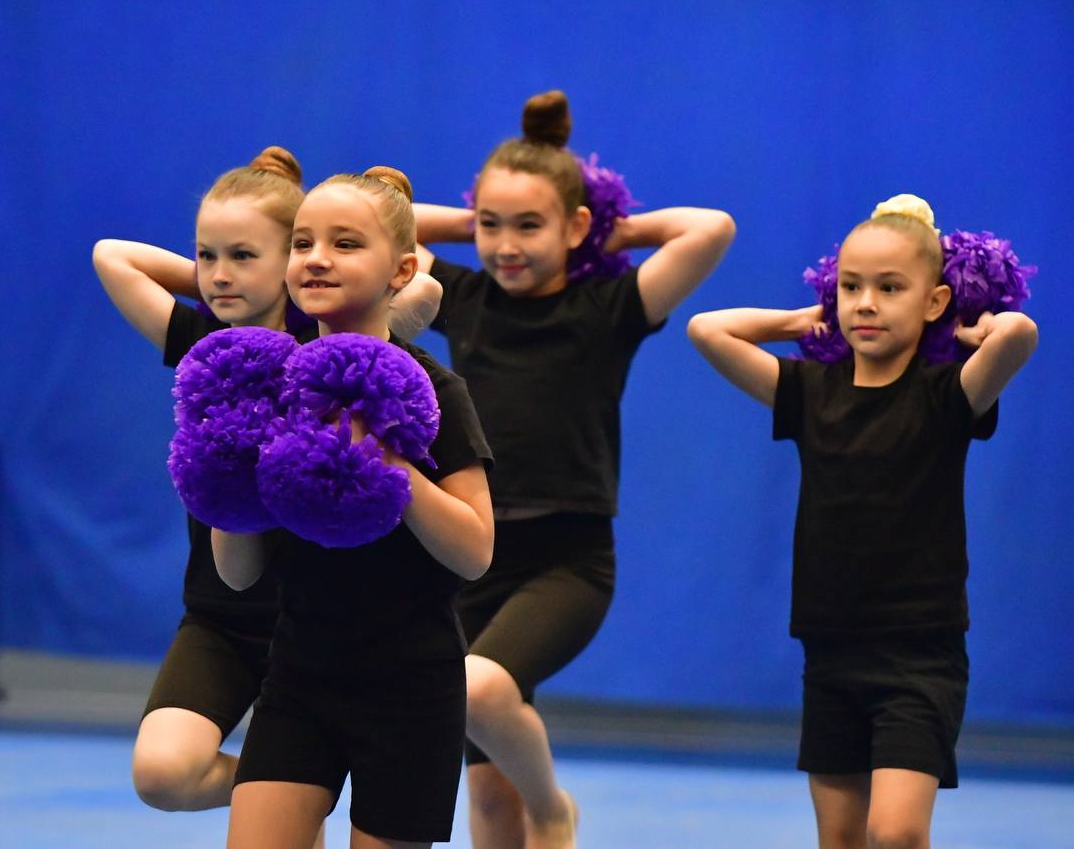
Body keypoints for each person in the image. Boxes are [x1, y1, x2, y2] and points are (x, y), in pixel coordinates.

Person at [413, 90, 735, 848]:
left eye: (530, 225)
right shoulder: (464, 297)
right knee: (487, 795)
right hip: (471, 559)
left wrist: (607, 228)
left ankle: (553, 809)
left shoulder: (609, 307)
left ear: (577, 227)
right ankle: (530, 811)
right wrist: (474, 222)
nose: (505, 245)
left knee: (478, 689)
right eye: (490, 225)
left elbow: (710, 229)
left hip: (567, 562)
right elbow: (378, 218)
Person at [91, 147, 439, 824]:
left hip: (312, 619)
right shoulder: (202, 339)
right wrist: (218, 270)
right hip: (222, 613)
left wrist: (297, 266)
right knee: (162, 773)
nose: (220, 274)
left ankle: (299, 789)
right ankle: (300, 789)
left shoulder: (329, 345)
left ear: (294, 258)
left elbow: (422, 291)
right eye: (207, 256)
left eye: (243, 256)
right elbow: (112, 256)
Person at [687, 194, 1038, 849]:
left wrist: (976, 327)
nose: (866, 304)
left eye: (889, 288)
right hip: (830, 646)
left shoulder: (949, 395)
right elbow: (707, 329)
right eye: (850, 287)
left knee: (896, 832)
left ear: (934, 301)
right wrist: (801, 320)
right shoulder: (808, 392)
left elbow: (1019, 335)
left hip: (920, 652)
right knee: (842, 838)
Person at [214, 166, 494, 849]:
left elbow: (475, 551)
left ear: (401, 270)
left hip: (410, 685)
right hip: (299, 673)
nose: (316, 258)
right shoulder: (268, 386)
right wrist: (231, 478)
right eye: (302, 242)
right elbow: (237, 574)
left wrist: (391, 464)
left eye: (344, 243)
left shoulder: (435, 392)